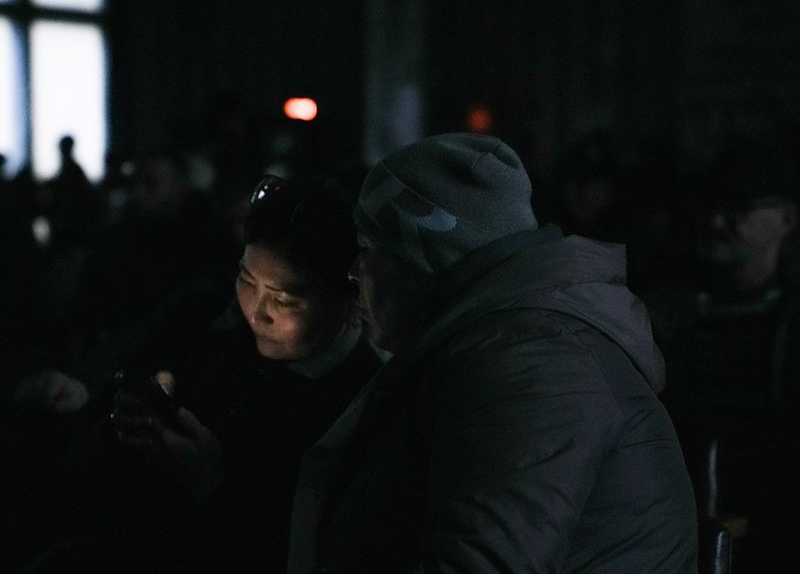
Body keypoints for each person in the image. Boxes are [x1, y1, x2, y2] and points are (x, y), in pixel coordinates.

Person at [288, 133, 698, 573]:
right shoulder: (501, 345)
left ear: (425, 258)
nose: (354, 271)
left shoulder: (533, 360)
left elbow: (483, 564)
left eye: (368, 250)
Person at [34, 175, 382, 573]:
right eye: (246, 280)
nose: (256, 310)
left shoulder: (365, 401)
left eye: (285, 299)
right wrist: (118, 424)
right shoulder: (210, 322)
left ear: (351, 300)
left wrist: (214, 485)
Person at [642, 134, 800, 570]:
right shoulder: (665, 309)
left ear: (786, 219)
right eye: (709, 206)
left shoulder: (790, 318)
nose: (714, 221)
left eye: (737, 209)